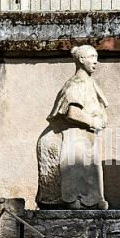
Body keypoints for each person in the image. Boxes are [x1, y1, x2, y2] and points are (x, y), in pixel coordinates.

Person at [36, 45, 109, 209]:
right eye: (91, 57)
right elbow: (72, 113)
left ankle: (92, 199)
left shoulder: (90, 83)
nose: (96, 61)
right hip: (69, 134)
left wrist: (101, 118)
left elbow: (98, 107)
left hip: (85, 135)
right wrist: (92, 121)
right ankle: (72, 198)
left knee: (91, 164)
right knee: (74, 160)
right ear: (81, 59)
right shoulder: (75, 84)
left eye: (96, 57)